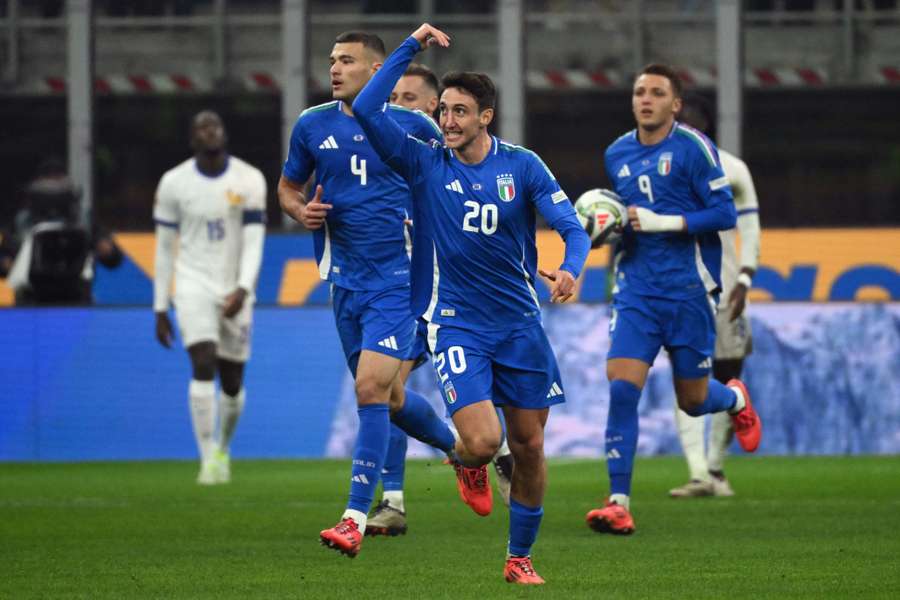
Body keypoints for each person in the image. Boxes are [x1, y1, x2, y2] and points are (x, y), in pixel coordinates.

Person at [353, 24, 590, 584]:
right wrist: (410, 45)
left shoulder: (523, 166)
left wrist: (572, 270)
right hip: (457, 324)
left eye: (460, 113)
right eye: (445, 112)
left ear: (486, 116)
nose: (448, 122)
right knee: (484, 443)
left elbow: (571, 229)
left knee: (529, 447)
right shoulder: (424, 162)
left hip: (520, 326)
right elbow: (366, 108)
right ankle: (467, 462)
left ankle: (519, 558)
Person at [278, 32, 477, 559]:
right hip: (345, 282)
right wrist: (300, 212)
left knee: (369, 389)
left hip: (400, 281)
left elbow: (450, 186)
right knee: (387, 400)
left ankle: (354, 516)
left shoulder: (413, 127)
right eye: (331, 59)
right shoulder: (311, 124)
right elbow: (287, 188)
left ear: (374, 70)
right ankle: (459, 452)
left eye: (346, 61)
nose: (335, 69)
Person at [584, 64, 762, 535]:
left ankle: (734, 398)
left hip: (688, 289)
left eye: (657, 92)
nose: (645, 99)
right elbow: (625, 219)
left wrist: (663, 222)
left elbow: (724, 213)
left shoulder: (695, 149)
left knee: (694, 400)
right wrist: (606, 228)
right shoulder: (616, 152)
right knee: (622, 389)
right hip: (637, 290)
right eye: (639, 91)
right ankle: (618, 500)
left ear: (675, 104)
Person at [366, 61, 516, 539]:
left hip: (460, 301)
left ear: (434, 108)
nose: (398, 109)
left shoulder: (456, 161)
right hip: (408, 295)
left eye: (408, 100)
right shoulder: (396, 156)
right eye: (394, 100)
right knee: (388, 394)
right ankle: (463, 457)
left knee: (393, 388)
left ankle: (475, 456)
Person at [153, 110, 266, 485]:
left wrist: (245, 287)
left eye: (215, 125)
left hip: (235, 285)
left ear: (224, 134)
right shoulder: (173, 183)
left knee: (232, 381)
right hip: (192, 284)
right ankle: (206, 460)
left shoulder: (249, 179)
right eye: (201, 127)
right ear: (192, 139)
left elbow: (253, 241)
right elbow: (165, 249)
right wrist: (160, 306)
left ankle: (223, 446)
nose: (210, 131)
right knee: (202, 361)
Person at [668, 94, 762, 498]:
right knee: (684, 380)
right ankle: (698, 474)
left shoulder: (732, 168)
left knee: (727, 378)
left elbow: (751, 228)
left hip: (724, 290)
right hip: (677, 290)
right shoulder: (659, 167)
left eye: (690, 125)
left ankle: (716, 469)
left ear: (703, 128)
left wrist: (745, 277)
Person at [1, 158, 123, 305]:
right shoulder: (22, 222)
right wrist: (10, 264)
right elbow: (4, 261)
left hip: (76, 301)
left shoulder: (82, 219)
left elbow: (113, 259)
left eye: (58, 180)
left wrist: (106, 249)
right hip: (31, 303)